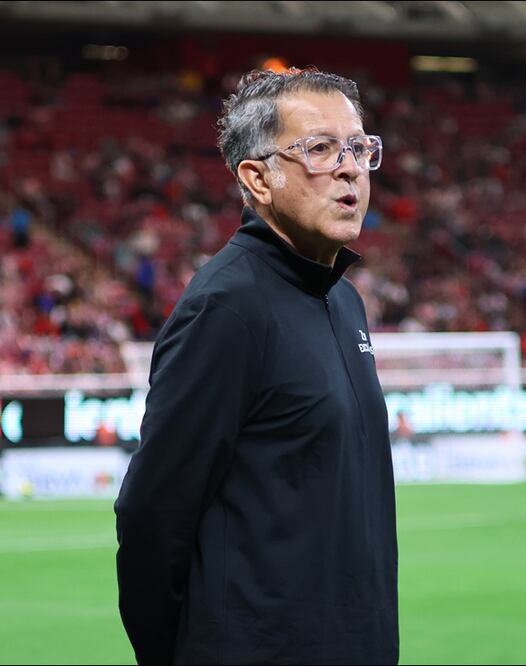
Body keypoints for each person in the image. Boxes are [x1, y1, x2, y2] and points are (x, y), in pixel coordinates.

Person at [115, 67, 398, 665]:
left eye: (358, 147)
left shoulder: (342, 298)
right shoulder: (227, 307)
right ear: (258, 178)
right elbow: (151, 514)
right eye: (320, 149)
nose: (349, 168)